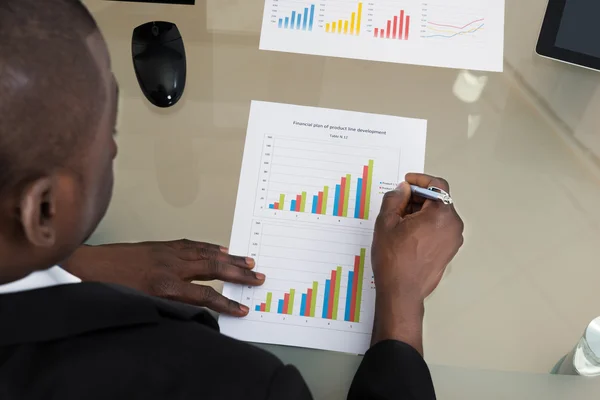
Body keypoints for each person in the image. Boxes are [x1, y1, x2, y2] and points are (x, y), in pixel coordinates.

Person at [0, 1, 464, 399]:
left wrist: (73, 264)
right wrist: (401, 305)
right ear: (42, 210)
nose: (115, 146)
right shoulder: (230, 382)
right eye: (110, 126)